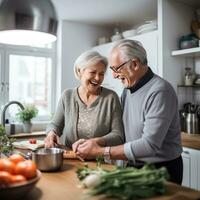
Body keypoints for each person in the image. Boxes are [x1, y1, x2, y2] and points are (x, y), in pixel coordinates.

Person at [73, 40, 183, 184]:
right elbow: (125, 133)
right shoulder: (127, 91)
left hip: (161, 170)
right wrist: (96, 142)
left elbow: (149, 145)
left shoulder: (160, 91)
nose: (113, 75)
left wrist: (100, 151)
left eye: (116, 68)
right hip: (133, 166)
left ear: (135, 64)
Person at [44, 50, 124, 149]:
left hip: (100, 161)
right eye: (93, 72)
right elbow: (55, 125)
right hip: (72, 159)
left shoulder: (111, 98)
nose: (97, 78)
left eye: (101, 74)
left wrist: (96, 142)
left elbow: (118, 135)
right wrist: (51, 133)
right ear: (79, 71)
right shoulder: (67, 96)